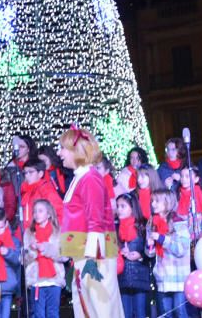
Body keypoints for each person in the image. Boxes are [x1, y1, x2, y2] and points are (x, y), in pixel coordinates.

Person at [56, 126, 123, 318]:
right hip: (84, 254)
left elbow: (96, 220)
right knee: (87, 306)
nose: (59, 153)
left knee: (100, 307)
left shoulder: (90, 178)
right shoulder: (81, 177)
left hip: (93, 256)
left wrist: (92, 258)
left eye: (63, 148)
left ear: (76, 151)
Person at [147, 190, 190, 318]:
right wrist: (150, 245)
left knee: (180, 313)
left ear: (167, 202)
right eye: (152, 201)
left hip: (179, 279)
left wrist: (162, 239)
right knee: (166, 314)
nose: (153, 204)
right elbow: (150, 254)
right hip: (162, 278)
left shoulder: (179, 223)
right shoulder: (151, 224)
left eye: (157, 201)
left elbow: (181, 249)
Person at [24, 199, 64, 318]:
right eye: (35, 211)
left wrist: (47, 248)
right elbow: (23, 259)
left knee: (53, 313)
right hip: (37, 281)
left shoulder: (58, 232)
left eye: (40, 211)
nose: (37, 214)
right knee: (38, 314)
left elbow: (65, 255)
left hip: (54, 280)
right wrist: (33, 251)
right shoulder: (29, 233)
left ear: (49, 214)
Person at [115, 194, 150, 318]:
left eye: (123, 206)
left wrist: (140, 256)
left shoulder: (142, 226)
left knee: (140, 312)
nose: (119, 209)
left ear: (132, 207)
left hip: (140, 276)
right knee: (125, 313)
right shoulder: (115, 227)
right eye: (118, 206)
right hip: (122, 277)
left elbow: (151, 250)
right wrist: (119, 252)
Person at [18, 159, 63, 228]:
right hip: (28, 234)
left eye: (30, 172)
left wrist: (47, 232)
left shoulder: (46, 190)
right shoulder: (26, 191)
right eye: (25, 173)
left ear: (40, 174)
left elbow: (60, 213)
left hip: (42, 234)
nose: (27, 176)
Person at [175, 166, 202, 239]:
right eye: (182, 176)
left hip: (197, 227)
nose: (183, 179)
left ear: (196, 179)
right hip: (184, 225)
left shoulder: (198, 192)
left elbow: (201, 214)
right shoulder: (180, 192)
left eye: (187, 177)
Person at [4, 135, 35, 206]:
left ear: (28, 149)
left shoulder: (35, 166)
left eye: (22, 146)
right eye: (17, 146)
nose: (18, 149)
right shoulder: (9, 168)